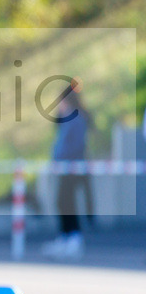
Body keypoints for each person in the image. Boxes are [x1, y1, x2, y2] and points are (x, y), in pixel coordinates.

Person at [42, 81, 93, 261]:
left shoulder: (76, 118)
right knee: (63, 203)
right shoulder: (66, 119)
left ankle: (74, 238)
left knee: (67, 203)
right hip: (64, 168)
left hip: (72, 168)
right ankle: (65, 236)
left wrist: (63, 160)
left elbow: (75, 145)